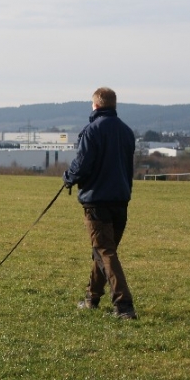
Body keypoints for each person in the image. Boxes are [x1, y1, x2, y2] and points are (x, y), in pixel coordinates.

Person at [62, 87, 137, 320]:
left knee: (104, 252)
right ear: (114, 105)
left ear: (95, 105)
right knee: (104, 251)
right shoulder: (127, 132)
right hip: (121, 200)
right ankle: (91, 298)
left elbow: (82, 165)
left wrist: (69, 178)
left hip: (97, 201)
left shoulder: (91, 131)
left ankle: (124, 305)